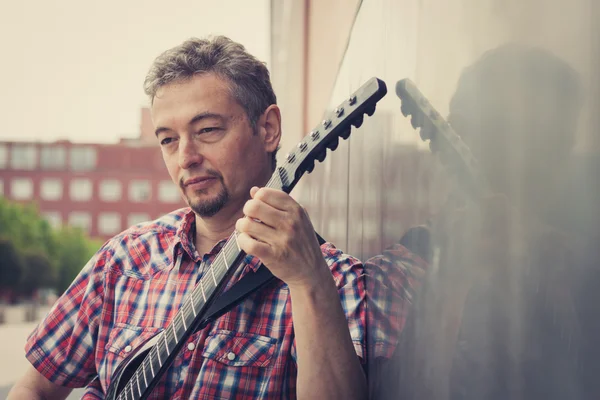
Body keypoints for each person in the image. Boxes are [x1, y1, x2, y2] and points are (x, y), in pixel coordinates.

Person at [7, 36, 377, 399]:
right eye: (168, 139)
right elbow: (34, 388)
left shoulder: (333, 280)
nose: (185, 157)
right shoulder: (124, 259)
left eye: (207, 130)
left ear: (268, 129)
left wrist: (307, 281)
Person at [370, 43, 586, 399]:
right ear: (462, 138)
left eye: (558, 143)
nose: (550, 162)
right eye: (525, 138)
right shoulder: (407, 267)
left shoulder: (575, 261)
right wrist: (456, 281)